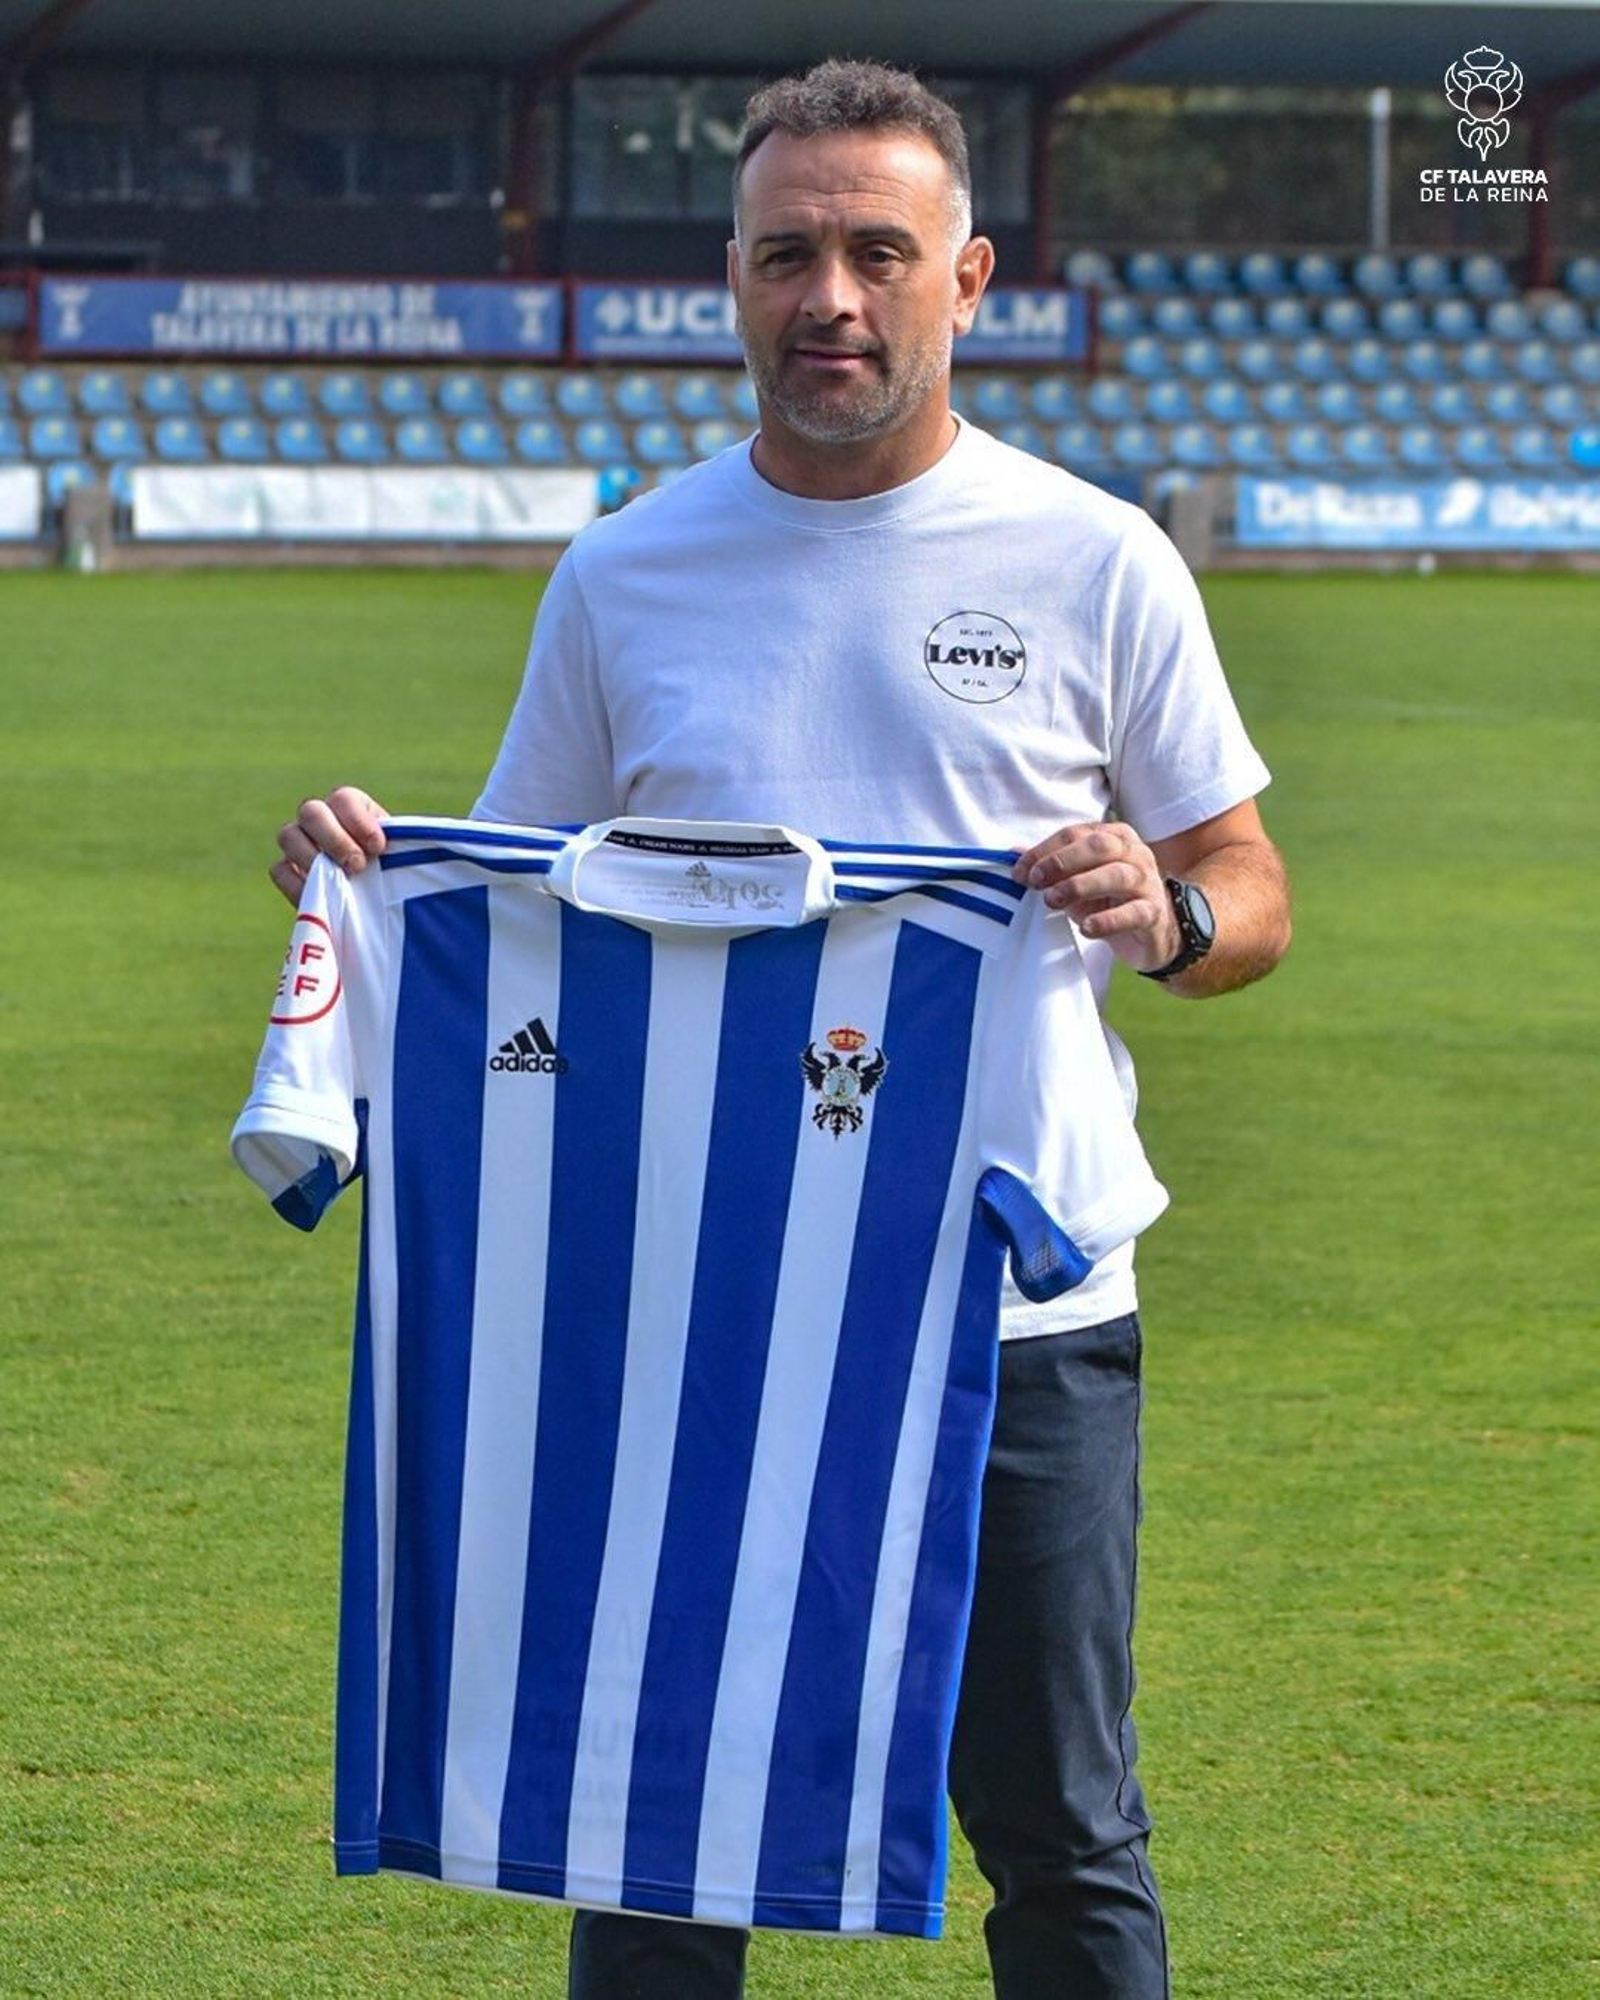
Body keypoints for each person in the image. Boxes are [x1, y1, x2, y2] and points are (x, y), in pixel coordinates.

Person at [272, 59, 1290, 2000]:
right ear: (731, 284)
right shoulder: (628, 571)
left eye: (876, 252)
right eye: (787, 254)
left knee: (1062, 1826)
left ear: (966, 277)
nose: (831, 294)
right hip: (699, 1315)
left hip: (1015, 1317)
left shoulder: (1093, 561)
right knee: (657, 1828)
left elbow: (1247, 887)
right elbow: (523, 889)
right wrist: (364, 873)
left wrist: (1164, 912)